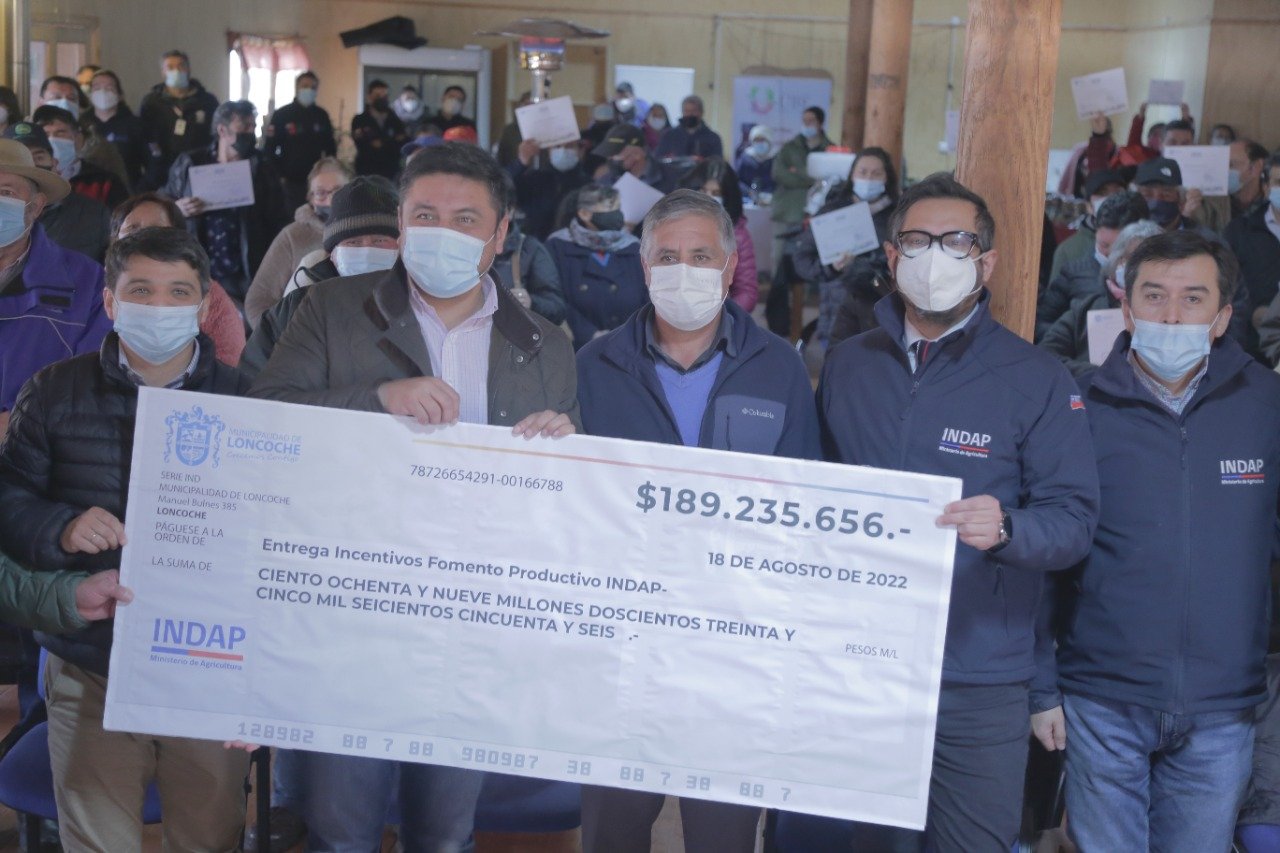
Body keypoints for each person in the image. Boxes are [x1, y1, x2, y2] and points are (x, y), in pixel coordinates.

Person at [250, 141, 579, 853]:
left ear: (499, 235)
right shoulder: (330, 310)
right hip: (351, 611)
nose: (443, 231)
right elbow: (267, 415)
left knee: (444, 830)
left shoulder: (545, 345)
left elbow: (563, 500)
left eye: (466, 219)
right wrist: (378, 398)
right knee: (341, 828)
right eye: (425, 214)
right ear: (401, 221)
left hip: (469, 622)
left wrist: (565, 443)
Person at [814, 173, 1100, 851]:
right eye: (917, 240)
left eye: (955, 240)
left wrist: (1006, 528)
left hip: (977, 673)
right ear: (891, 257)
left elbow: (1074, 521)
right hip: (861, 662)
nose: (933, 254)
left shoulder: (1034, 377)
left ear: (986, 260)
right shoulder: (850, 365)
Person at [576, 188, 818, 853]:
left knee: (724, 835)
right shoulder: (594, 364)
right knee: (612, 832)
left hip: (732, 652)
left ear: (731, 260)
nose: (684, 270)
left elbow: (806, 503)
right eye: (668, 256)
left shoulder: (779, 367)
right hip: (623, 649)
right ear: (644, 265)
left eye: (701, 255)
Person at [0, 227, 251, 852]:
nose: (160, 308)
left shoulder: (249, 401)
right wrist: (60, 525)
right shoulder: (53, 391)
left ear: (202, 307)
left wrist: (263, 680)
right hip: (92, 661)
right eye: (140, 290)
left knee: (208, 837)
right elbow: (8, 501)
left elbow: (282, 532)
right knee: (97, 841)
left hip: (208, 667)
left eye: (178, 293)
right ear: (110, 302)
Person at [1032, 230, 1280, 853]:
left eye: (1193, 299)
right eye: (1155, 296)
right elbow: (1044, 553)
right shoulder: (1076, 404)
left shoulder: (1266, 406)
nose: (1172, 316)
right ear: (1126, 308)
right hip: (1102, 694)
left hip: (1224, 703)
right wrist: (1041, 685)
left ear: (1222, 316)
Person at [0, 139, 108, 441]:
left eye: (6, 193)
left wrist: (21, 421)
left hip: (44, 459)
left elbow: (94, 378)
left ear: (35, 207)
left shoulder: (87, 281)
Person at [240, 176, 400, 379]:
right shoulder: (295, 310)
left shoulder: (424, 306)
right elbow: (252, 379)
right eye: (353, 242)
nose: (367, 250)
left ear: (401, 245)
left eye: (379, 240)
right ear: (333, 255)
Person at [167, 100, 287, 304]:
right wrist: (178, 208)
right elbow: (166, 201)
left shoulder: (262, 166)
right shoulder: (190, 163)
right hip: (202, 265)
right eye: (244, 126)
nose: (251, 132)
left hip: (247, 267)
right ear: (222, 130)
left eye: (253, 126)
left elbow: (278, 217)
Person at [111, 192, 246, 366]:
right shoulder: (93, 287)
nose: (144, 237)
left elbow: (229, 365)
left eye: (157, 229)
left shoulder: (208, 294)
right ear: (114, 239)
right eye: (132, 229)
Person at [793, 147, 898, 347]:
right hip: (835, 314)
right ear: (852, 175)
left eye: (876, 174)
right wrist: (831, 268)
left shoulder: (898, 216)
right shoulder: (831, 212)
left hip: (884, 318)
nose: (869, 179)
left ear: (887, 178)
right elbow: (802, 259)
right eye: (863, 172)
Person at [1038, 219, 1163, 377]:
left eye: (1149, 261)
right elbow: (1046, 354)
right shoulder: (1086, 308)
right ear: (1117, 260)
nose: (1137, 267)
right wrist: (1096, 373)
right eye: (1131, 258)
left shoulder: (1173, 317)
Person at [244, 157, 351, 327]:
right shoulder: (293, 236)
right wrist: (279, 342)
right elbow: (257, 300)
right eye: (321, 193)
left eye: (338, 191)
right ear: (310, 198)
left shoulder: (368, 234)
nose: (331, 200)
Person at [1035, 190, 1147, 340]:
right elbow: (1040, 323)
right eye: (1104, 245)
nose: (1112, 256)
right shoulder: (1073, 272)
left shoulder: (1159, 277)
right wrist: (1076, 336)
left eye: (1120, 249)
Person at [547, 184, 648, 349]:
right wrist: (588, 334)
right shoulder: (559, 246)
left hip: (631, 343)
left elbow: (647, 294)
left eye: (618, 208)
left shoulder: (634, 246)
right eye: (609, 208)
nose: (617, 214)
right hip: (580, 345)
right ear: (584, 214)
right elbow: (555, 297)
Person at [766, 106, 832, 336]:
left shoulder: (829, 149)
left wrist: (798, 174)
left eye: (811, 120)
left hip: (817, 218)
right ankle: (779, 322)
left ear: (820, 123)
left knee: (811, 269)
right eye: (804, 120)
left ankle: (809, 323)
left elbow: (832, 180)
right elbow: (779, 174)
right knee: (779, 268)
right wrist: (812, 179)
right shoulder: (789, 147)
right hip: (787, 213)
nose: (807, 124)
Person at [7, 121, 111, 262]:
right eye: (21, 160)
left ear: (55, 164)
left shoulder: (94, 214)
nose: (32, 166)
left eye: (38, 157)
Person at [679, 158, 758, 313]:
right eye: (702, 191)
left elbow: (747, 291)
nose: (707, 198)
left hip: (718, 317)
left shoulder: (738, 235)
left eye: (716, 193)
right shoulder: (672, 228)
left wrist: (723, 318)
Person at [138, 49, 220, 189]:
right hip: (162, 170)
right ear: (162, 72)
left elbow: (217, 134)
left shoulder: (207, 101)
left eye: (181, 66)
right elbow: (143, 136)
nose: (176, 70)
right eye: (170, 67)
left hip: (199, 167)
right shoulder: (151, 102)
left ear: (188, 69)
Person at [492, 184, 567, 327]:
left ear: (511, 211)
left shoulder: (530, 249)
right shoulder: (462, 246)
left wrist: (531, 302)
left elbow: (557, 308)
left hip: (513, 341)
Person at [265, 71, 337, 212]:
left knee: (318, 218)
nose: (309, 90)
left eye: (313, 87)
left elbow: (330, 147)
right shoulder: (282, 115)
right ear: (297, 88)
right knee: (292, 218)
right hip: (290, 181)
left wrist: (330, 172)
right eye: (305, 86)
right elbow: (269, 148)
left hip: (317, 180)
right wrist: (280, 175)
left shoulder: (321, 115)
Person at [32, 105, 129, 209]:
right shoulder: (32, 180)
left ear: (79, 139)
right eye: (46, 135)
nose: (52, 140)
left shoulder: (105, 182)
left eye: (60, 133)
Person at [1231, 153, 1280, 351]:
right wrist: (1253, 313)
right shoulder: (1239, 231)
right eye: (1279, 182)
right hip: (1250, 345)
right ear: (1267, 188)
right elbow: (1228, 286)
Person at [1049, 168, 1126, 281]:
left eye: (1118, 192)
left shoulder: (1139, 241)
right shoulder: (1068, 250)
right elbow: (1055, 296)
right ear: (1089, 205)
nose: (1111, 198)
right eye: (1102, 193)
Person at [508, 137, 590, 242]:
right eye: (557, 146)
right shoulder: (534, 180)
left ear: (580, 151)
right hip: (539, 248)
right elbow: (500, 189)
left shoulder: (587, 184)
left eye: (569, 146)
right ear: (549, 150)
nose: (563, 150)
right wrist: (520, 163)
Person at [87, 70, 148, 190]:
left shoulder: (135, 125)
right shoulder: (81, 125)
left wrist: (139, 192)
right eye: (97, 87)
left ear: (120, 95)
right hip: (90, 193)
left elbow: (153, 166)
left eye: (109, 88)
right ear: (90, 95)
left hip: (129, 192)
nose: (103, 92)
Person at [352, 79, 408, 180]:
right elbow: (362, 145)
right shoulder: (359, 120)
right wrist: (390, 141)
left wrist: (380, 143)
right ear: (369, 97)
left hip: (391, 174)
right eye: (378, 95)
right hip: (366, 173)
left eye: (385, 95)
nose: (382, 98)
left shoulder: (396, 120)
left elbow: (401, 144)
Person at [654, 95, 723, 161]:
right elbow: (659, 159)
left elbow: (717, 164)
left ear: (701, 112)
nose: (690, 114)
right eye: (687, 111)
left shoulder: (713, 138)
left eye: (694, 110)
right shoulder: (669, 136)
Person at [1227, 138, 1269, 221]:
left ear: (1256, 167)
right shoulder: (1214, 204)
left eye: (1231, 165)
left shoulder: (1274, 202)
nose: (1224, 170)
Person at [734, 125, 775, 198]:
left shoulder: (776, 159)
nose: (759, 143)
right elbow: (736, 180)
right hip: (746, 199)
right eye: (757, 140)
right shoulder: (745, 158)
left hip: (770, 200)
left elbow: (779, 182)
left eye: (762, 140)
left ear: (769, 141)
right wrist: (748, 191)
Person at [495, 90, 532, 167]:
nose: (531, 109)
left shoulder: (550, 130)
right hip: (517, 176)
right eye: (527, 105)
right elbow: (501, 168)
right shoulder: (509, 131)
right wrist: (521, 161)